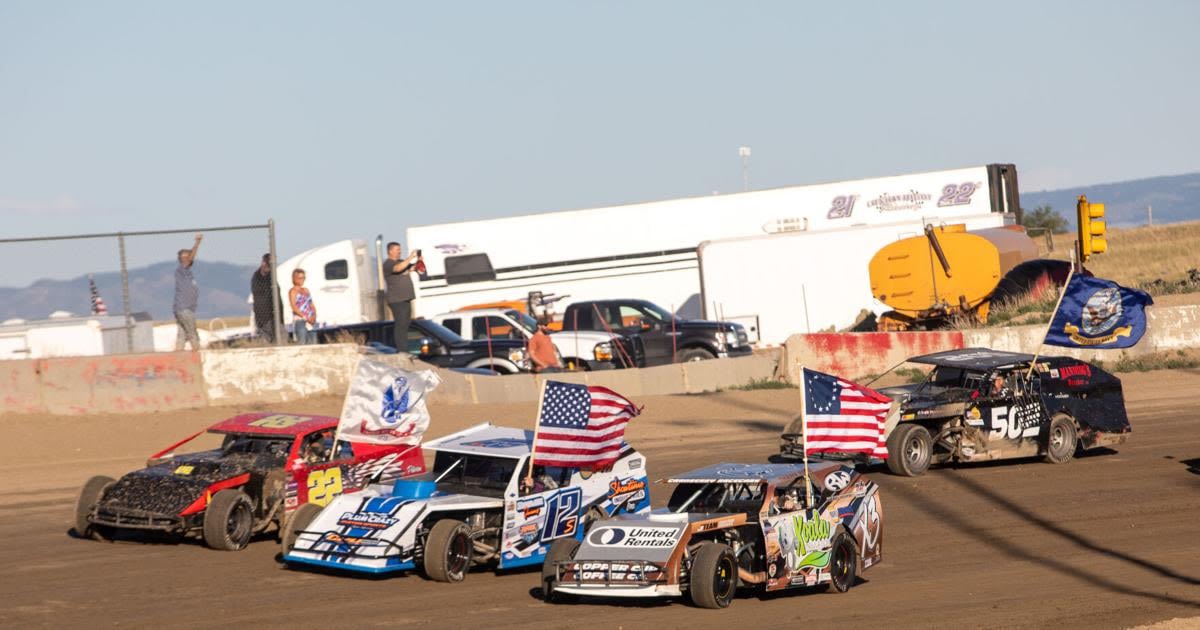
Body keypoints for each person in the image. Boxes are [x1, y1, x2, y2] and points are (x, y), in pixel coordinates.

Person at [383, 241, 420, 351]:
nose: (399, 252)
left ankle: (404, 348)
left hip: (406, 298)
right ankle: (402, 350)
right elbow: (398, 268)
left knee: (406, 324)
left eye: (400, 249)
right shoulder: (388, 264)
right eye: (397, 250)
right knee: (401, 324)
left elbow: (410, 268)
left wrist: (417, 261)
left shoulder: (401, 262)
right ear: (390, 251)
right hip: (397, 300)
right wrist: (410, 257)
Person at [173, 233, 203, 351]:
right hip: (185, 309)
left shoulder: (186, 272)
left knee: (182, 335)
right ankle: (199, 356)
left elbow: (191, 257)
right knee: (192, 334)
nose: (191, 259)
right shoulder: (182, 269)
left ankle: (177, 356)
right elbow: (191, 257)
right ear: (183, 259)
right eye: (188, 257)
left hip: (182, 309)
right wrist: (197, 242)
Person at [249, 253, 280, 342]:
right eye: (269, 264)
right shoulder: (258, 277)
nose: (271, 267)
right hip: (265, 315)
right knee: (269, 337)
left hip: (274, 314)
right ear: (263, 263)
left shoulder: (271, 277)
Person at [288, 269, 317, 344]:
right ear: (294, 278)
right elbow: (294, 306)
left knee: (313, 341)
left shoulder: (306, 290)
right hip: (300, 319)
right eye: (300, 278)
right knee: (302, 341)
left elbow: (311, 304)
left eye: (303, 278)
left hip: (310, 320)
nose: (302, 280)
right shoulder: (293, 291)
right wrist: (305, 317)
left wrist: (314, 315)